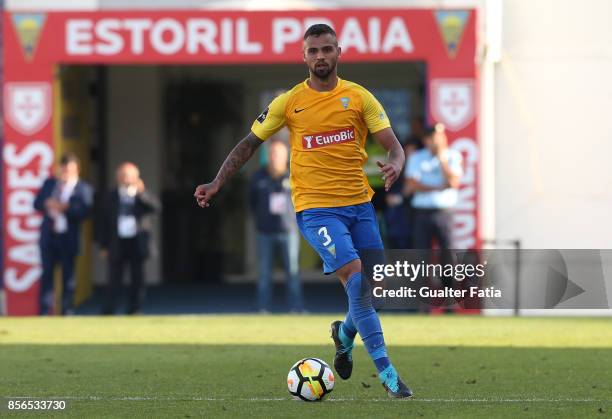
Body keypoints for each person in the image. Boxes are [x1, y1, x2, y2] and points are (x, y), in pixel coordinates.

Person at [195, 24, 412, 398]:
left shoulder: (360, 98)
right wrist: (217, 182)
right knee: (357, 280)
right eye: (314, 51)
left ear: (338, 51)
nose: (321, 57)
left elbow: (394, 146)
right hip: (316, 210)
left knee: (370, 289)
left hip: (359, 206)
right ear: (304, 55)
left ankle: (343, 337)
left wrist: (396, 163)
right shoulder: (289, 101)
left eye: (327, 49)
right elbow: (248, 144)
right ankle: (388, 374)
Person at [404, 123, 463, 312]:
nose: (437, 140)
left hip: (444, 213)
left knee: (448, 258)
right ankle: (422, 304)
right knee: (420, 259)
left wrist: (441, 159)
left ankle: (450, 302)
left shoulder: (453, 156)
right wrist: (438, 186)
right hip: (422, 213)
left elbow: (453, 181)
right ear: (426, 140)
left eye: (440, 136)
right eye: (433, 137)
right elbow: (412, 184)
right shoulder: (417, 157)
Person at [33, 152, 93, 315]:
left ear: (77, 170)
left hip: (68, 238)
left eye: (70, 170)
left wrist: (66, 208)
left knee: (68, 276)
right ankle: (45, 311)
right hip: (49, 237)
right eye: (64, 169)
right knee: (47, 274)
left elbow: (86, 211)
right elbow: (36, 203)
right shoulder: (50, 184)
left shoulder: (82, 188)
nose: (66, 172)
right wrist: (47, 203)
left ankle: (67, 309)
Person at [249, 139, 303, 313]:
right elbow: (251, 202)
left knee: (293, 272)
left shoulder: (292, 177)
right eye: (272, 154)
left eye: (278, 154)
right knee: (264, 273)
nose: (275, 157)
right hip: (264, 231)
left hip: (289, 231)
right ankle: (263, 307)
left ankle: (296, 307)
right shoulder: (258, 177)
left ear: (285, 156)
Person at [99, 162, 160, 315]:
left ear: (136, 177)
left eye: (128, 176)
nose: (125, 179)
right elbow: (103, 222)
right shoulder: (110, 196)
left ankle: (135, 308)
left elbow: (156, 208)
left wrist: (142, 193)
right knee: (114, 278)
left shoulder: (142, 194)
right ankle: (110, 309)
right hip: (117, 241)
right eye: (122, 175)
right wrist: (103, 245)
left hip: (137, 241)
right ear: (117, 178)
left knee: (137, 278)